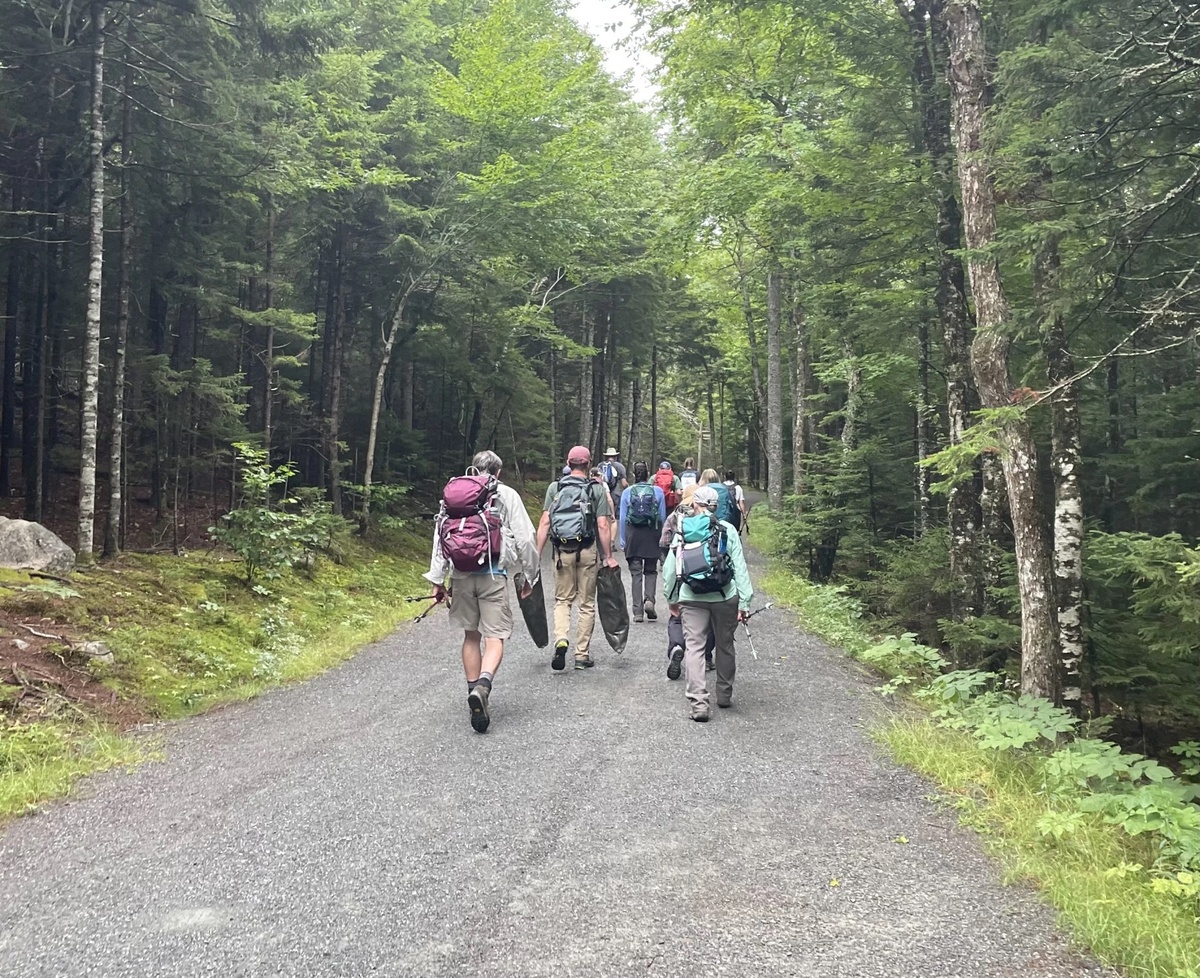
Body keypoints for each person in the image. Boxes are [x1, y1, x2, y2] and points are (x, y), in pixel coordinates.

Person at [424, 450, 539, 734]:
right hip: (494, 574)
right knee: (495, 636)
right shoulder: (506, 494)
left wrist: (437, 580)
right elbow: (526, 537)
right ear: (497, 472)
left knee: (471, 636)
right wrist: (529, 574)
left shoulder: (454, 495)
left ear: (473, 469)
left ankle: (472, 688)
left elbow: (441, 536)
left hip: (461, 576)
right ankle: (484, 687)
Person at [662, 485, 754, 722]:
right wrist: (744, 601)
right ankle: (723, 695)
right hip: (725, 596)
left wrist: (671, 598)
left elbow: (671, 567)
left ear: (695, 504)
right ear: (717, 506)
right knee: (724, 644)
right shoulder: (728, 530)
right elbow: (739, 567)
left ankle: (699, 703)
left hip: (691, 596)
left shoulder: (683, 529)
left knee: (694, 647)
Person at [536, 446, 619, 671]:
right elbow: (603, 525)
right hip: (587, 550)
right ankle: (581, 655)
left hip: (562, 552)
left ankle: (561, 639)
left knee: (562, 600)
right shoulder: (596, 489)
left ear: (568, 462)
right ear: (589, 463)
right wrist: (608, 556)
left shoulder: (555, 487)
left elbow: (545, 522)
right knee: (586, 603)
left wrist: (536, 555)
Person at [659, 484, 714, 679]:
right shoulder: (709, 520)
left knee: (677, 617)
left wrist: (669, 593)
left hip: (681, 575)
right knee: (708, 620)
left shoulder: (675, 516)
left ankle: (676, 647)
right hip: (705, 577)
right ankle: (706, 657)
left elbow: (664, 541)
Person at [619, 461, 667, 623]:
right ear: (649, 474)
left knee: (636, 573)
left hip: (633, 535)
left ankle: (637, 611)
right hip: (651, 534)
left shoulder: (627, 492)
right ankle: (650, 600)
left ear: (634, 474)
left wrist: (622, 539)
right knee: (651, 571)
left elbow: (623, 518)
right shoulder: (657, 491)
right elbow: (661, 517)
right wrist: (662, 538)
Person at [600, 448, 628, 551]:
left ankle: (603, 542)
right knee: (614, 519)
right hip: (615, 494)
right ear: (615, 456)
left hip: (602, 493)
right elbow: (624, 483)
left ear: (606, 456)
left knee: (603, 517)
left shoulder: (600, 466)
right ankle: (611, 542)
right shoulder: (620, 466)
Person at [723, 469, 747, 534]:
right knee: (735, 531)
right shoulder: (738, 488)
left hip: (724, 511)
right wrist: (744, 515)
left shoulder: (722, 487)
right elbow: (741, 503)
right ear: (734, 477)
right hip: (735, 512)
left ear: (725, 477)